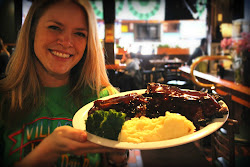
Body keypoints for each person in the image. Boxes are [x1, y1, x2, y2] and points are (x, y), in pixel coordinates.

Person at [0, 0, 128, 166]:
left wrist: (117, 155)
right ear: (32, 31)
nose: (67, 42)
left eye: (80, 34)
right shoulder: (4, 99)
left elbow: (117, 162)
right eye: (54, 27)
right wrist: (46, 153)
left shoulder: (104, 98)